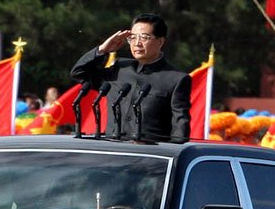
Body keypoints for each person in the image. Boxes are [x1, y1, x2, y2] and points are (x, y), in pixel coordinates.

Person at [71, 12, 191, 143]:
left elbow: (180, 126)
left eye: (144, 38)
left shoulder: (176, 79)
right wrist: (103, 49)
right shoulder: (119, 68)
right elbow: (78, 72)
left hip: (149, 156)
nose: (137, 43)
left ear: (160, 41)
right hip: (113, 151)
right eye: (132, 38)